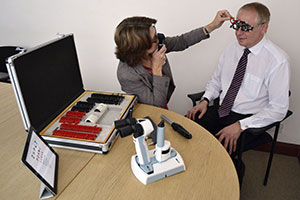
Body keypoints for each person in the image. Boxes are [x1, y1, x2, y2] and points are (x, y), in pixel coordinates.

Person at [187, 2, 290, 155]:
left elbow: (278, 109)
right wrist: (205, 100)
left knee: (212, 154)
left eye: (246, 27)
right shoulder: (231, 49)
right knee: (183, 131)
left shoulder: (277, 60)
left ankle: (234, 172)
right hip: (221, 109)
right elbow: (217, 81)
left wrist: (241, 126)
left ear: (263, 28)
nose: (239, 33)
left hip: (247, 118)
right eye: (237, 25)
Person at [114, 11, 231, 108]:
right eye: (154, 40)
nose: (159, 40)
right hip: (148, 115)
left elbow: (182, 41)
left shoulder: (156, 46)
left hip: (164, 106)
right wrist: (157, 68)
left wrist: (212, 26)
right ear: (139, 48)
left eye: (156, 34)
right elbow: (156, 106)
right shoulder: (126, 74)